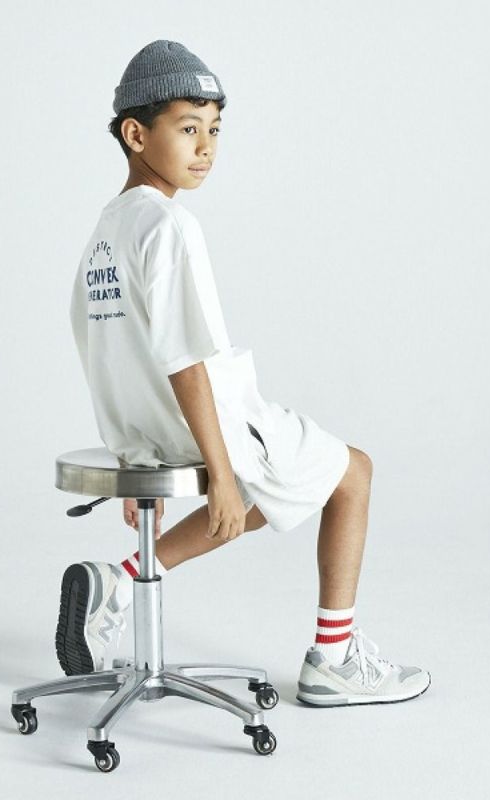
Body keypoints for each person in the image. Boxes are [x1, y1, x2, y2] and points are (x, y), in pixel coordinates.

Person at [57, 39, 431, 706]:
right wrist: (220, 471)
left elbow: (105, 349)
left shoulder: (105, 232)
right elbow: (185, 360)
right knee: (352, 473)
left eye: (215, 129)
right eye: (187, 129)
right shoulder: (168, 226)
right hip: (207, 422)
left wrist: (137, 452)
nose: (206, 147)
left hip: (146, 432)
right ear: (136, 135)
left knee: (277, 492)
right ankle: (333, 660)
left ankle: (122, 580)